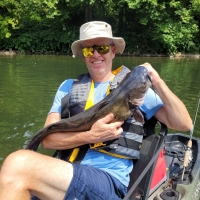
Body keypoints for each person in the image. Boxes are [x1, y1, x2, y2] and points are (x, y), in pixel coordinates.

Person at [0, 21, 192, 200]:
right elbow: (48, 139)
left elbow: (183, 124)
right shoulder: (67, 88)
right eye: (88, 49)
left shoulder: (136, 88)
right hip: (63, 172)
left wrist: (157, 81)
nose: (95, 54)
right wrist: (91, 136)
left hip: (108, 181)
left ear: (113, 51)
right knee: (14, 173)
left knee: (17, 164)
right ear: (83, 54)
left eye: (102, 48)